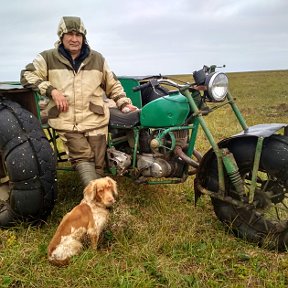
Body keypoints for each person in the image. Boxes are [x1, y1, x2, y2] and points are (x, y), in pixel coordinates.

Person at [21, 16, 137, 187]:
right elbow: (27, 75)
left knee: (98, 164)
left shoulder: (98, 59)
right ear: (61, 36)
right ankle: (95, 200)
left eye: (78, 35)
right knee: (83, 156)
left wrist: (124, 103)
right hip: (66, 120)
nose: (74, 39)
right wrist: (52, 90)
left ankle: (97, 192)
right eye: (70, 34)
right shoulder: (47, 58)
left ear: (84, 37)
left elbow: (113, 85)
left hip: (95, 119)